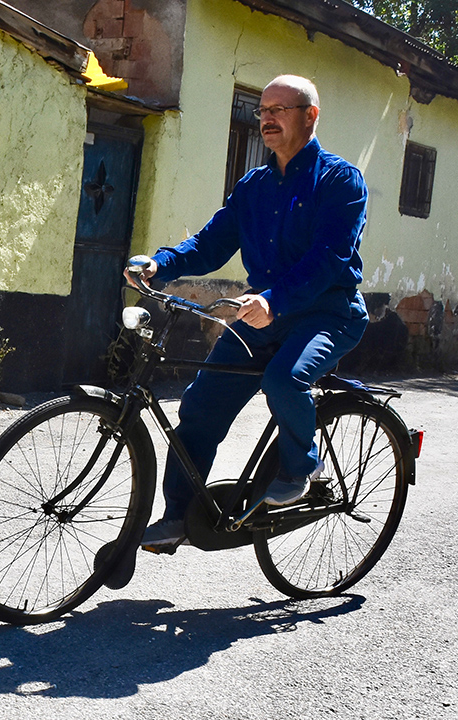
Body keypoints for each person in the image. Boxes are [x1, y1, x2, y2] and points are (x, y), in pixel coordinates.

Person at [129, 74, 370, 548]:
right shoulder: (255, 185)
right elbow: (211, 242)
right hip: (262, 316)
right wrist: (161, 264)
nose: (267, 119)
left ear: (310, 116)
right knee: (200, 406)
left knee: (285, 379)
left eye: (280, 109)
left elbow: (330, 259)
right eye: (262, 111)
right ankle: (178, 514)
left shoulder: (341, 180)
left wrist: (272, 299)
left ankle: (302, 467)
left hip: (327, 313)